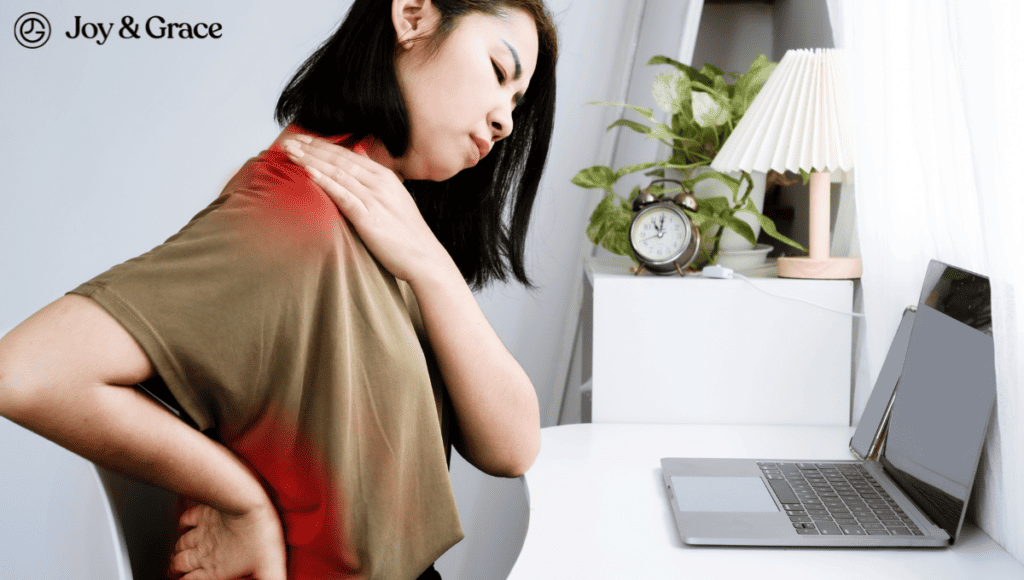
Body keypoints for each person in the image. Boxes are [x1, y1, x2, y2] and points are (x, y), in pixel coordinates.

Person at [0, 0, 557, 578]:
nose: (505, 123)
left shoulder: (387, 221)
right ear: (413, 16)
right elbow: (25, 373)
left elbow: (512, 447)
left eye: (516, 105)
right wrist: (243, 504)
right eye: (498, 71)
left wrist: (430, 265)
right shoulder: (291, 216)